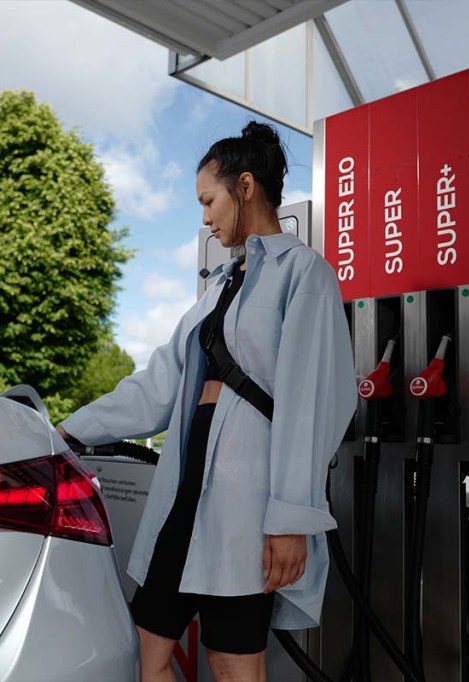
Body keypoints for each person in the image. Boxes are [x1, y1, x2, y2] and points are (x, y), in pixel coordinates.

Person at [57, 121, 355, 682]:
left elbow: (309, 405)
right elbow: (158, 385)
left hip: (250, 501)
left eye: (208, 200)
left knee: (232, 661)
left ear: (245, 186)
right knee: (147, 652)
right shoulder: (218, 286)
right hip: (182, 492)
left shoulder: (303, 273)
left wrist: (291, 518)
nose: (204, 217)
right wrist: (68, 431)